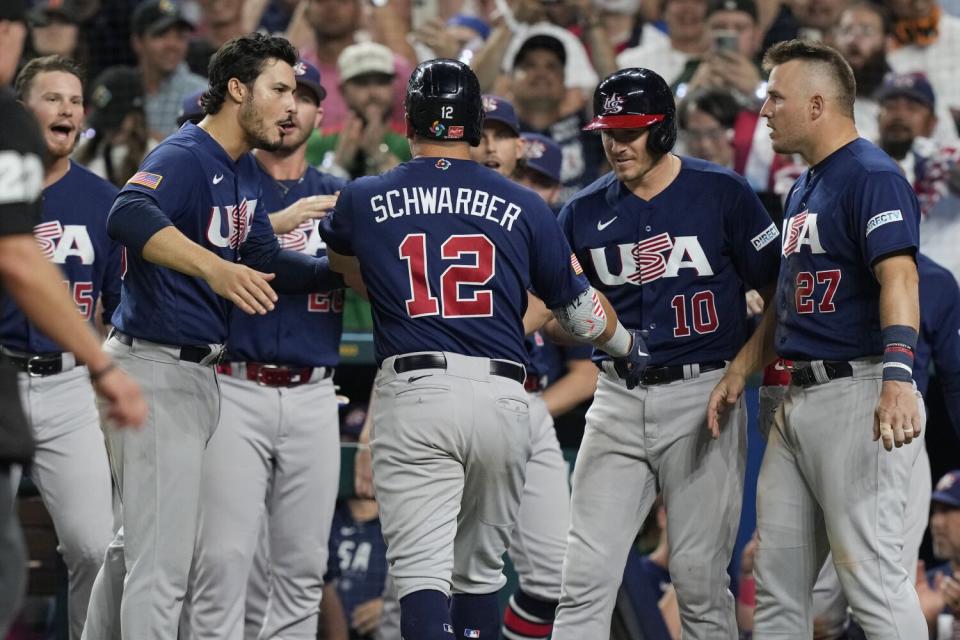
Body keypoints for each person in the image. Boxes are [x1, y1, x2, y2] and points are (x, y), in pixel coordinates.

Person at [318, 58, 645, 640]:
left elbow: (346, 268)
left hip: (415, 391)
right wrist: (626, 346)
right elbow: (580, 312)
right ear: (473, 125)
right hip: (502, 395)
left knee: (421, 580)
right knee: (479, 579)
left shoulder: (364, 195)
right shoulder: (525, 204)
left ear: (410, 120)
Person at [89, 33, 347, 639]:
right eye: (279, 89)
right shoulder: (187, 153)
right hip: (154, 368)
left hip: (189, 375)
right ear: (237, 89)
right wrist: (214, 265)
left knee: (136, 552)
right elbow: (126, 213)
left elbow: (268, 262)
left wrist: (346, 269)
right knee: (164, 566)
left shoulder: (240, 172)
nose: (291, 105)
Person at [548, 67, 781, 640]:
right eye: (607, 130)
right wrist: (582, 325)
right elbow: (552, 320)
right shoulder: (580, 211)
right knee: (581, 578)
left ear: (664, 129)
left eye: (631, 130)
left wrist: (741, 371)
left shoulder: (722, 192)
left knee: (699, 581)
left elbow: (785, 295)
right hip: (617, 395)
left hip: (704, 395)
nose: (616, 143)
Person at [707, 39, 927, 639]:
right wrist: (739, 370)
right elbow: (787, 304)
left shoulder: (873, 176)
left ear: (817, 104)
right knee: (776, 583)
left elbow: (900, 277)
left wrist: (899, 377)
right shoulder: (805, 187)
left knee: (874, 583)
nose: (767, 108)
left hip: (858, 393)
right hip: (794, 398)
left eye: (776, 95)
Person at [185, 58, 345, 640]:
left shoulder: (342, 195)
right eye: (281, 92)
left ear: (318, 113)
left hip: (313, 392)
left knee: (303, 567)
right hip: (234, 383)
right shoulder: (225, 179)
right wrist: (281, 233)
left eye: (303, 95)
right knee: (224, 560)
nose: (290, 106)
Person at [0, 2, 145, 634]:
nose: (66, 109)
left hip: (68, 385)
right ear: (20, 105)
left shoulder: (102, 199)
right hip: (2, 373)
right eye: (51, 97)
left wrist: (104, 369)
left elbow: (119, 301)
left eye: (75, 100)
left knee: (93, 546)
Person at [471, 95, 597, 640]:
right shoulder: (439, 205)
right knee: (449, 575)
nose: (492, 146)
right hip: (452, 394)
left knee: (555, 577)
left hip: (524, 399)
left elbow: (554, 303)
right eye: (483, 133)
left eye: (503, 135)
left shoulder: (539, 222)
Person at [307, 42, 412, 179]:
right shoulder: (318, 141)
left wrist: (379, 155)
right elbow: (309, 195)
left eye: (381, 81)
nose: (373, 92)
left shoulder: (411, 143)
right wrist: (339, 163)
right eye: (362, 83)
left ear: (393, 87)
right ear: (342, 90)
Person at [130, 0, 208, 140]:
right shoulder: (123, 90)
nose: (172, 44)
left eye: (180, 36)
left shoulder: (202, 93)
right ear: (137, 42)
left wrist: (144, 138)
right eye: (161, 35)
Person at [74, 65, 152, 188]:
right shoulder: (86, 152)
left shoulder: (153, 156)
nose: (110, 129)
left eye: (116, 121)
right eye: (104, 122)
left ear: (136, 115)